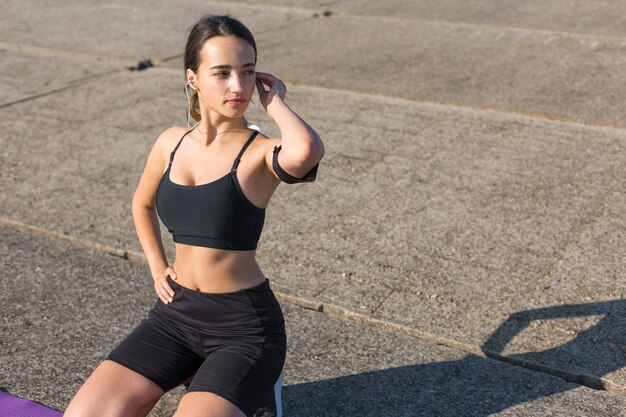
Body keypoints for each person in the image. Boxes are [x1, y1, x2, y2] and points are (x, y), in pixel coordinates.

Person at [64, 13, 324, 417]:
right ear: (193, 78)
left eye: (248, 72)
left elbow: (306, 150)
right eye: (221, 73)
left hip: (244, 329)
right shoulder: (170, 142)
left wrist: (276, 103)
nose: (238, 86)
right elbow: (142, 204)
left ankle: (255, 393)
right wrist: (156, 267)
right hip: (175, 317)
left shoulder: (257, 153)